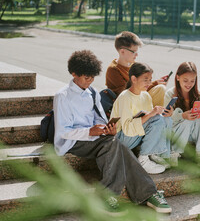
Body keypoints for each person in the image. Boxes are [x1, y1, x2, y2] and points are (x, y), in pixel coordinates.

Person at [53, 50, 171, 213]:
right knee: (114, 145)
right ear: (74, 73)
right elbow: (63, 132)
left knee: (116, 143)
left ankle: (149, 194)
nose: (90, 81)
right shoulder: (62, 96)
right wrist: (90, 131)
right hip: (73, 141)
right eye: (86, 78)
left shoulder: (92, 93)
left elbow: (100, 119)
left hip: (95, 137)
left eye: (92, 78)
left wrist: (107, 129)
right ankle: (108, 195)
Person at [110, 62, 173, 174]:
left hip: (136, 136)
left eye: (150, 79)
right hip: (123, 138)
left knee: (166, 119)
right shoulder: (125, 97)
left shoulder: (145, 95)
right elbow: (127, 128)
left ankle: (159, 155)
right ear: (134, 79)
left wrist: (164, 113)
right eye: (146, 79)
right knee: (157, 118)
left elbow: (151, 122)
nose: (149, 83)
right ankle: (144, 160)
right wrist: (150, 114)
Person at [164, 62, 200, 168]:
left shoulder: (199, 94)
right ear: (177, 77)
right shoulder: (170, 94)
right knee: (187, 120)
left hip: (194, 133)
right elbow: (166, 118)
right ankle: (174, 153)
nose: (189, 84)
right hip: (176, 133)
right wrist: (182, 116)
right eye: (185, 80)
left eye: (192, 81)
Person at [105, 31, 168, 106]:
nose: (137, 54)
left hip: (138, 97)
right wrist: (152, 84)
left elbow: (140, 86)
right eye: (133, 52)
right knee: (157, 91)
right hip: (127, 104)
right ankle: (152, 115)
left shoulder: (133, 65)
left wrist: (156, 83)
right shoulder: (113, 70)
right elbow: (127, 93)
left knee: (161, 88)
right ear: (122, 51)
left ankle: (155, 115)